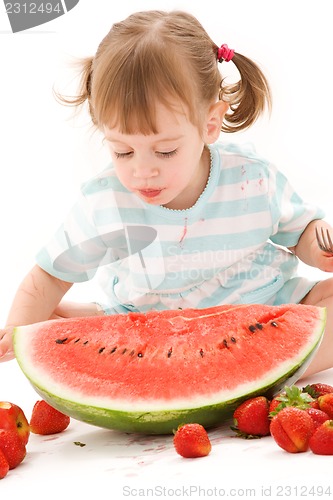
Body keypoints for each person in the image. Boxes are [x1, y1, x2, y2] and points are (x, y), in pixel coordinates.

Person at [1, 10, 333, 377]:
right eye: (122, 152)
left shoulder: (250, 178)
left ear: (210, 123)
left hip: (263, 308)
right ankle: (238, 376)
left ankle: (259, 373)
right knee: (46, 320)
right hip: (150, 337)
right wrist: (17, 332)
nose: (143, 171)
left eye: (165, 151)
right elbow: (48, 276)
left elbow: (302, 231)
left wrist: (321, 251)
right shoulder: (106, 202)